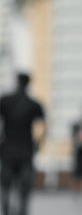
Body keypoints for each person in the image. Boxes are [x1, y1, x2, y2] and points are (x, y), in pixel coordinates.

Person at [0, 73, 46, 215]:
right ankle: (22, 211)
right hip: (26, 150)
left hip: (7, 149)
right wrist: (38, 144)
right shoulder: (34, 104)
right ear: (28, 84)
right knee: (24, 189)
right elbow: (42, 127)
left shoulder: (5, 101)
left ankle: (6, 210)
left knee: (5, 186)